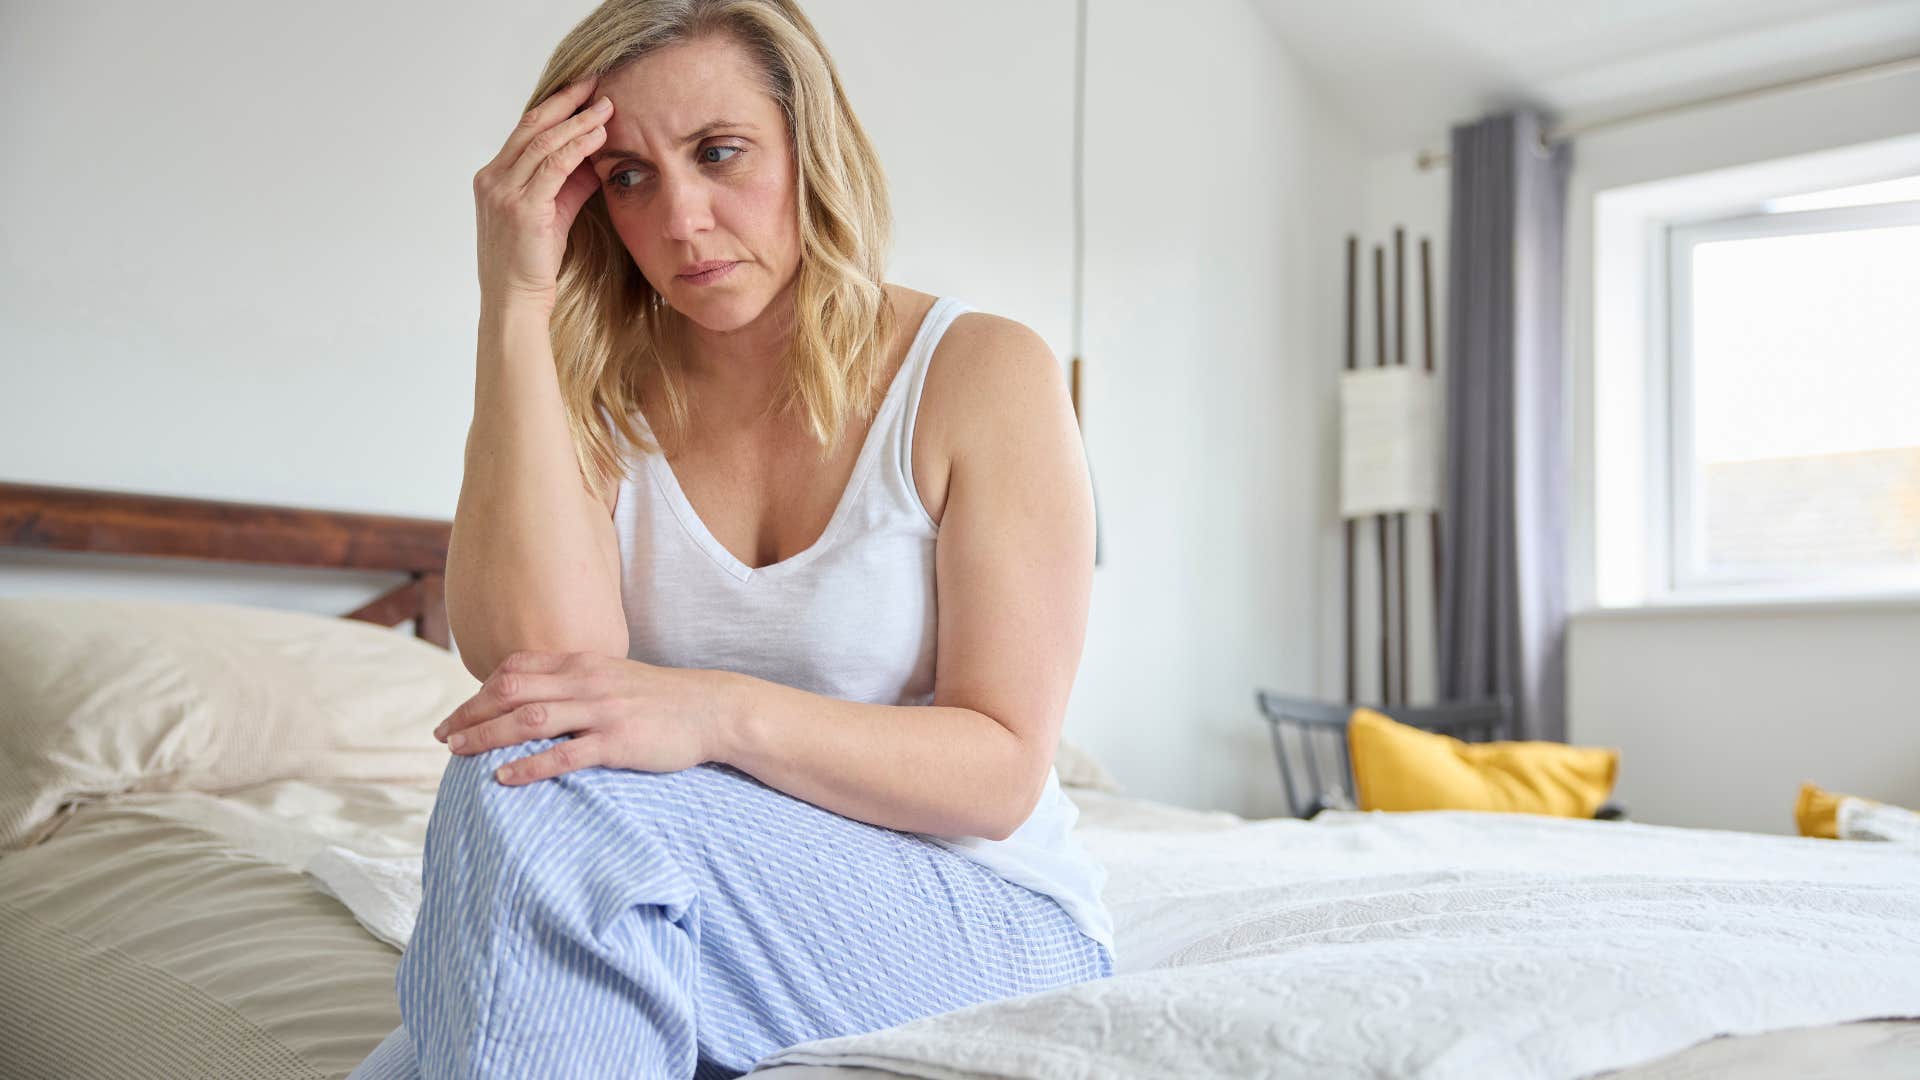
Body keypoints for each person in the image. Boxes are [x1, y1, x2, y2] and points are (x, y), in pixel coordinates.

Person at [349, 1, 1112, 1076]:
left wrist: (711, 712)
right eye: (628, 176)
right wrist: (514, 301)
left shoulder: (981, 372)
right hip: (691, 888)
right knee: (525, 770)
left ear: (810, 145)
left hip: (982, 908)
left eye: (718, 152)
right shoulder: (595, 397)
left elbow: (1000, 773)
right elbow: (543, 679)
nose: (681, 219)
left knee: (530, 804)